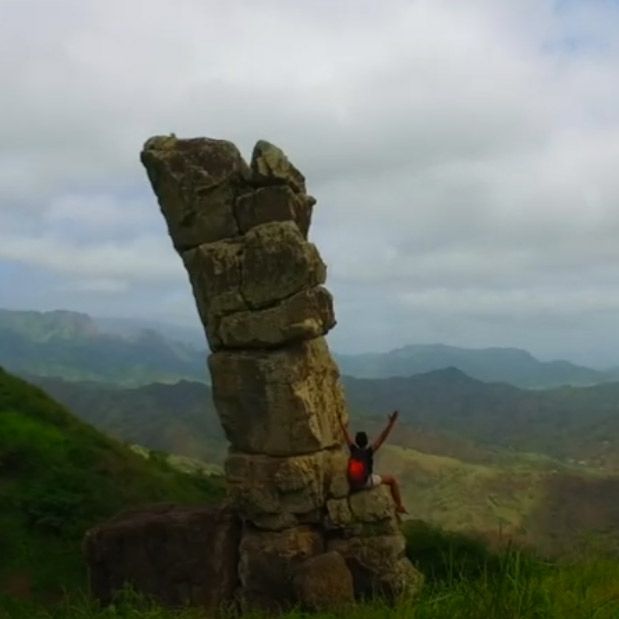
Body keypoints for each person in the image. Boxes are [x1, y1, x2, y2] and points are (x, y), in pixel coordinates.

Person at [338, 410, 408, 514]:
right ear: (366, 442)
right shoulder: (369, 452)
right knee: (392, 480)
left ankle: (399, 506)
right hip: (364, 483)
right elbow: (382, 437)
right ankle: (399, 505)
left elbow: (346, 435)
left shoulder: (353, 449)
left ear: (356, 441)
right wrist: (391, 423)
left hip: (352, 483)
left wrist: (340, 421)